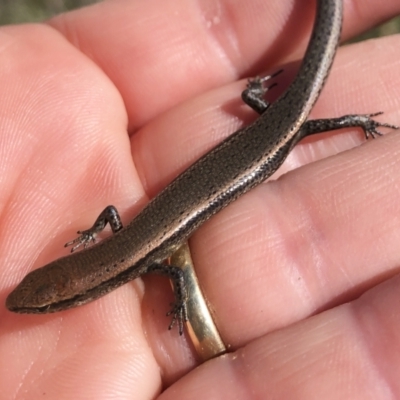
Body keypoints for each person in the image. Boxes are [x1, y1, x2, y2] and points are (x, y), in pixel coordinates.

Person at [1, 0, 400, 398]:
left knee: (300, 125)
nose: (40, 309)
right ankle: (304, 106)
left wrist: (179, 305)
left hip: (275, 139)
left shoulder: (141, 263)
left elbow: (174, 273)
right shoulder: (124, 246)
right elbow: (116, 221)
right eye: (44, 306)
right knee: (294, 119)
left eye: (46, 307)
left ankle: (355, 119)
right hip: (261, 139)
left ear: (85, 292)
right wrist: (93, 234)